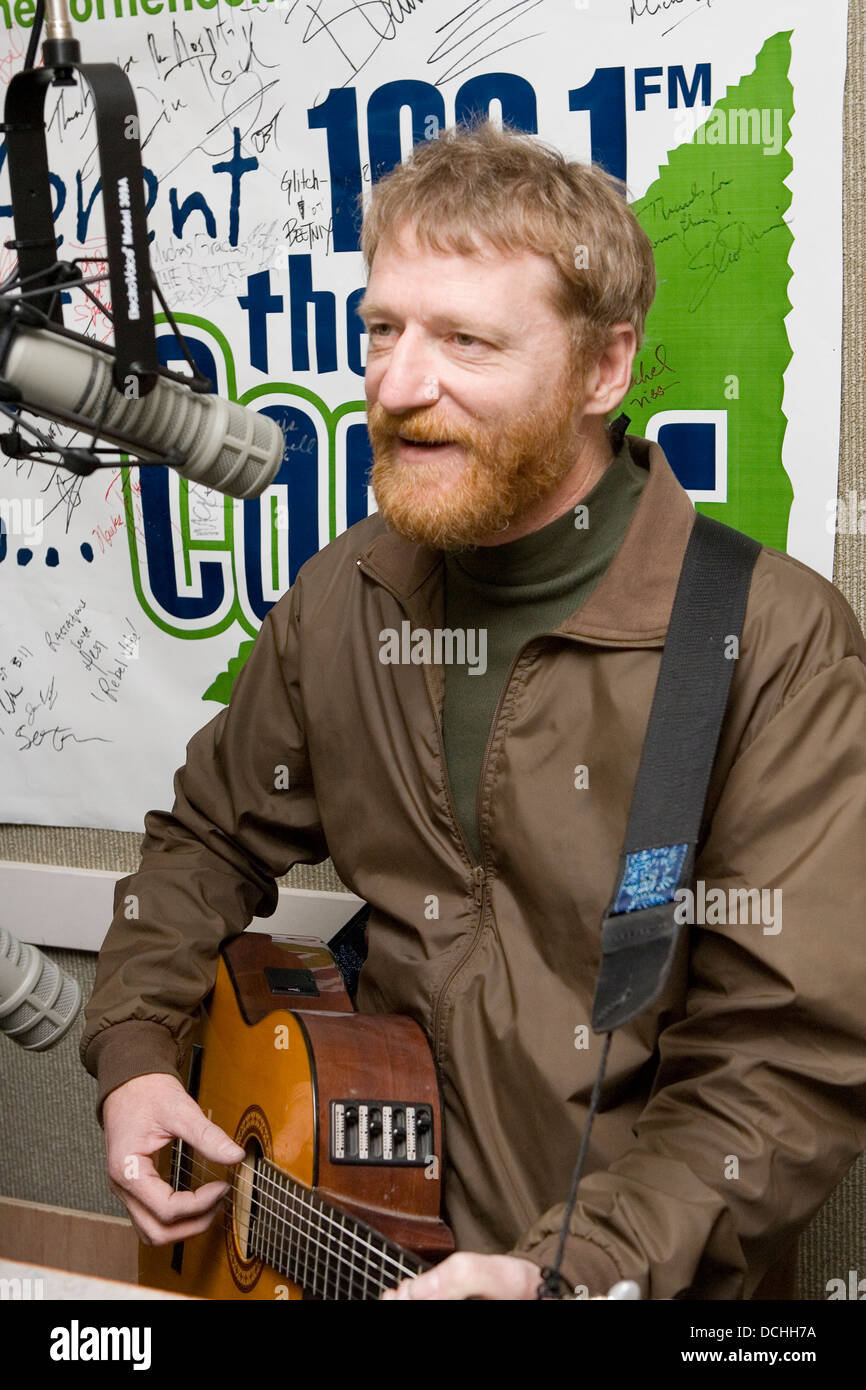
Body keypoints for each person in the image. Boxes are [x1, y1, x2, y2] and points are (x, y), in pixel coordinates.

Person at [81, 118, 866, 1302]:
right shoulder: (345, 594)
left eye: (463, 339)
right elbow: (204, 841)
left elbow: (780, 1064)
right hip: (347, 1246)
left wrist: (572, 1270)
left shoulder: (772, 642)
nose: (397, 386)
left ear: (603, 368)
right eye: (381, 331)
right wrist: (134, 1054)